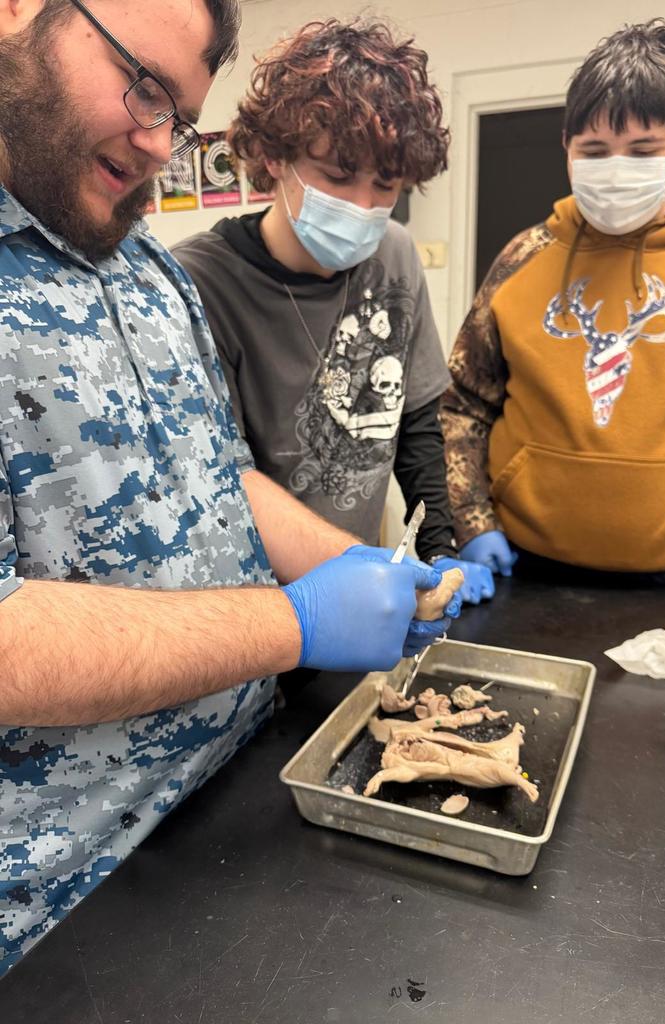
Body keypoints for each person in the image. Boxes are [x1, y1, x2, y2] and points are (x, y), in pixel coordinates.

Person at [0, 0, 459, 975]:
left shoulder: (146, 272)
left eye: (180, 112)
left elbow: (224, 474)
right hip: (72, 892)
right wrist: (295, 622)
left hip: (247, 794)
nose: (159, 140)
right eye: (142, 83)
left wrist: (365, 564)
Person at [441, 19, 665, 610]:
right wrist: (473, 520)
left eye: (643, 151)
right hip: (527, 564)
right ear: (567, 144)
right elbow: (465, 401)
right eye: (594, 151)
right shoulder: (523, 257)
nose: (617, 167)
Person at [172, 18, 495, 606]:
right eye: (339, 177)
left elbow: (418, 420)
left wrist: (442, 549)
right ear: (274, 157)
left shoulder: (393, 255)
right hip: (256, 599)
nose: (363, 206)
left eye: (386, 185)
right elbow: (222, 481)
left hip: (365, 567)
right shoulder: (200, 281)